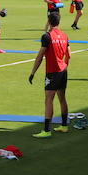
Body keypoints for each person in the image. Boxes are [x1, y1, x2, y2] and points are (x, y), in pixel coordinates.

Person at [28, 10, 71, 138]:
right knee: (62, 98)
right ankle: (64, 126)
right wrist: (64, 66)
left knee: (48, 99)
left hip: (52, 72)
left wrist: (33, 72)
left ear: (49, 22)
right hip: (63, 70)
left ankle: (46, 131)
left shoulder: (47, 36)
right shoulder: (65, 35)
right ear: (59, 22)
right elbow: (69, 55)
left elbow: (40, 56)